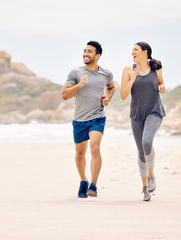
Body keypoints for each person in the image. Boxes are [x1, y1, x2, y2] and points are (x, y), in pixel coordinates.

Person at [62, 41, 115, 198]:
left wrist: (108, 98)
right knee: (80, 153)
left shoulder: (106, 74)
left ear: (97, 56)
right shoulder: (76, 72)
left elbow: (111, 87)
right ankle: (83, 181)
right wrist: (79, 85)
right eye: (84, 51)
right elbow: (65, 95)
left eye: (89, 52)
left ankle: (93, 185)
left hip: (97, 117)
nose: (85, 54)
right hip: (79, 119)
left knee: (95, 147)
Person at [120, 42, 166, 201]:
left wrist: (162, 87)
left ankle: (152, 175)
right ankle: (145, 188)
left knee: (147, 142)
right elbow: (123, 95)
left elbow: (161, 82)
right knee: (140, 150)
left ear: (145, 52)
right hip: (136, 114)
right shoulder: (128, 70)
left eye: (136, 50)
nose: (132, 52)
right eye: (132, 49)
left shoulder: (156, 66)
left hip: (154, 110)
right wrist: (132, 79)